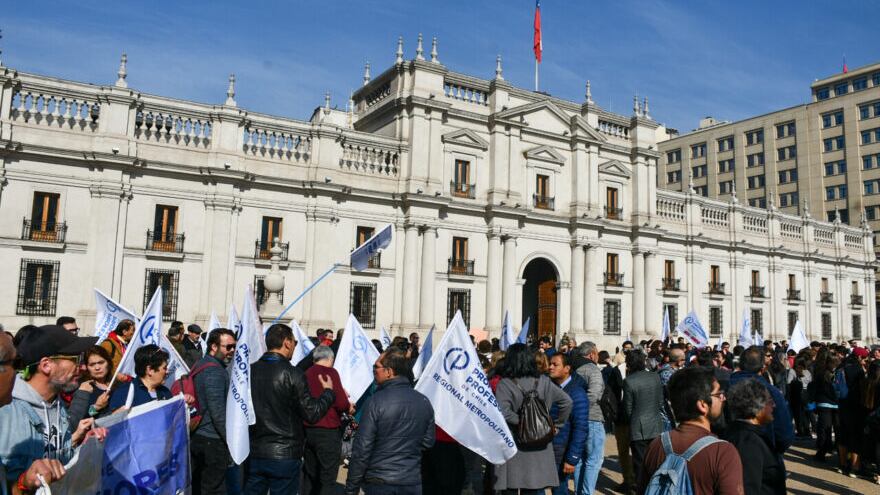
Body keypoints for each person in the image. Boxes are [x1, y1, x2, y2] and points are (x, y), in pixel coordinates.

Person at [0, 325, 101, 493]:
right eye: (76, 359)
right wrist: (23, 483)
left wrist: (83, 447)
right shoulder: (6, 410)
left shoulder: (57, 405)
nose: (83, 367)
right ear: (46, 365)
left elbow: (59, 463)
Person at [247, 323, 335, 495]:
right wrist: (328, 393)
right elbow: (312, 413)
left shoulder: (250, 370)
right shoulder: (293, 373)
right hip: (284, 454)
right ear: (287, 343)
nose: (295, 346)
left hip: (256, 451)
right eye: (294, 342)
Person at [636, 366, 744, 495]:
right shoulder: (723, 453)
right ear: (702, 405)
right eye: (718, 394)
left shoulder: (656, 445)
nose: (723, 398)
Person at [345, 347, 435, 495]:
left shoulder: (375, 402)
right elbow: (427, 442)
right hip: (409, 480)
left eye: (376, 367)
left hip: (382, 481)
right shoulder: (424, 401)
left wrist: (351, 489)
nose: (374, 371)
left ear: (389, 372)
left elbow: (362, 450)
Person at [494, 343, 572, 494]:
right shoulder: (543, 381)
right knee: (532, 489)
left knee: (510, 488)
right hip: (540, 442)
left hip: (514, 442)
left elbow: (503, 412)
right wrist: (556, 425)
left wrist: (524, 423)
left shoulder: (505, 383)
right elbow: (567, 402)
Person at [191, 328, 237, 495]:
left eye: (234, 346)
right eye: (228, 347)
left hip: (200, 435)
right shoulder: (214, 371)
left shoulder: (202, 364)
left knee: (199, 486)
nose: (232, 350)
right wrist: (230, 440)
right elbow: (218, 412)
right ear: (214, 346)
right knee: (213, 489)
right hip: (211, 439)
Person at [728, 346, 793, 463]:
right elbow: (784, 435)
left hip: (728, 453)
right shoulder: (772, 392)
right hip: (763, 457)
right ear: (763, 367)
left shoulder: (723, 387)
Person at [302, 345, 351, 495]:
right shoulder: (331, 373)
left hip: (308, 430)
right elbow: (342, 404)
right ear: (331, 358)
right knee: (328, 477)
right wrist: (348, 405)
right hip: (328, 431)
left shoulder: (306, 373)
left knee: (310, 474)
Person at [722, 379, 785, 494]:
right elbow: (748, 488)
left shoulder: (744, 433)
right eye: (770, 401)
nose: (774, 405)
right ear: (757, 407)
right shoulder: (748, 442)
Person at [548, 353, 589, 495]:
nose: (550, 367)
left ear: (567, 368)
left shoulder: (577, 393)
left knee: (559, 488)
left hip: (561, 450)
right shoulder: (548, 388)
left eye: (555, 364)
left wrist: (572, 459)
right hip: (545, 448)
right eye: (550, 364)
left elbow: (581, 428)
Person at [622, 349, 664, 487]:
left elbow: (628, 409)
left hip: (638, 428)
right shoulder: (655, 376)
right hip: (656, 424)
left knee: (640, 464)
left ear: (629, 364)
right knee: (655, 462)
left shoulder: (629, 381)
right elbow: (660, 401)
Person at [573, 341, 606, 495]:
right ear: (592, 354)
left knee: (580, 459)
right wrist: (582, 408)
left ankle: (580, 492)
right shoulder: (593, 370)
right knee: (594, 460)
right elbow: (594, 394)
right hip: (592, 418)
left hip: (576, 418)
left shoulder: (573, 368)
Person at [108, 344, 173, 410]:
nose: (167, 371)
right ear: (150, 370)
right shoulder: (124, 393)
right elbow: (114, 416)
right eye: (164, 368)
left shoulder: (165, 392)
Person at [68, 346, 113, 426]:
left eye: (101, 362)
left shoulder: (117, 383)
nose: (97, 368)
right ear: (87, 367)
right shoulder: (84, 389)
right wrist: (96, 407)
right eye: (92, 365)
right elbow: (80, 418)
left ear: (108, 363)